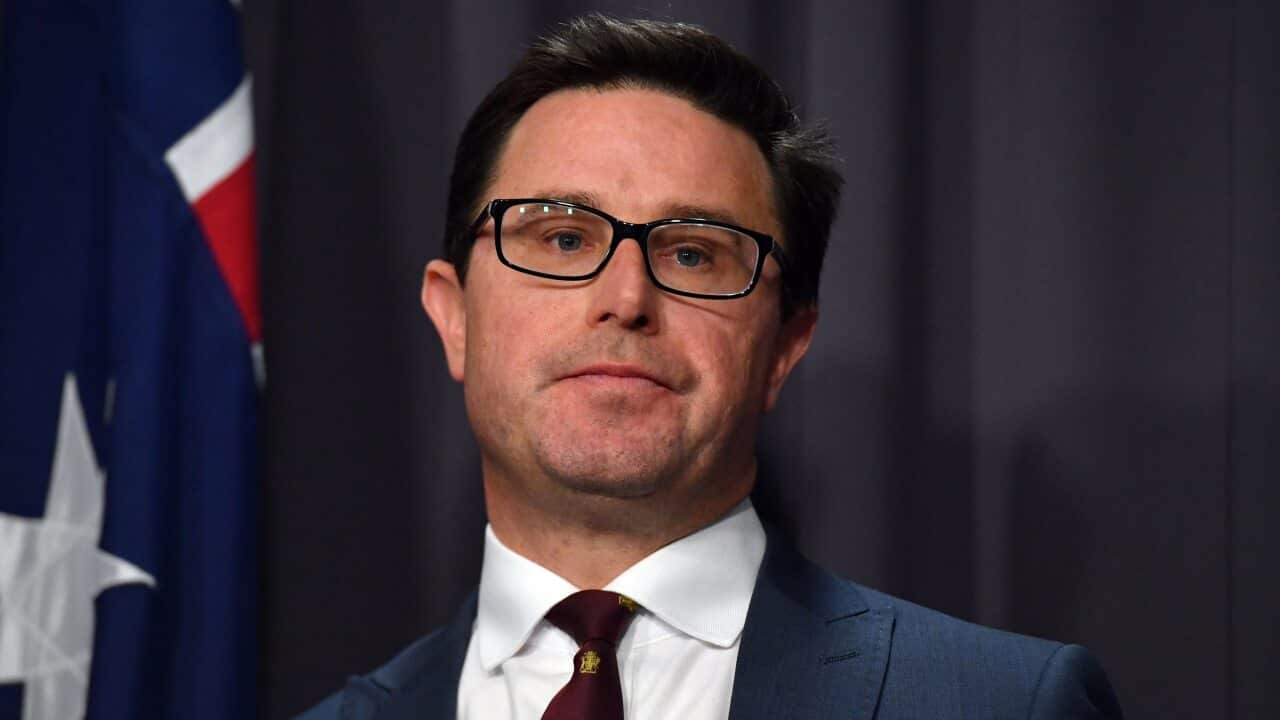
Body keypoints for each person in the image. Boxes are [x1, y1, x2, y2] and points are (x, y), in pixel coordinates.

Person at [299, 14, 1122, 720]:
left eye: (693, 254)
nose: (625, 298)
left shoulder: (1003, 704)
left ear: (785, 348)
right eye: (562, 238)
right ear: (455, 318)